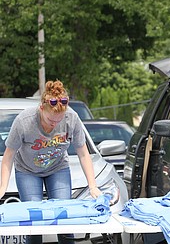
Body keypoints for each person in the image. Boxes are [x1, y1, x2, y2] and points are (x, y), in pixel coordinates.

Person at [0, 80, 102, 244]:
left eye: (58, 120)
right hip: (27, 171)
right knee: (34, 223)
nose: (54, 124)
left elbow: (83, 153)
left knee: (64, 221)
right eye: (50, 120)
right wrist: (2, 187)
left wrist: (92, 185)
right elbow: (8, 155)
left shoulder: (72, 118)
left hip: (57, 168)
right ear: (41, 108)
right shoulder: (24, 121)